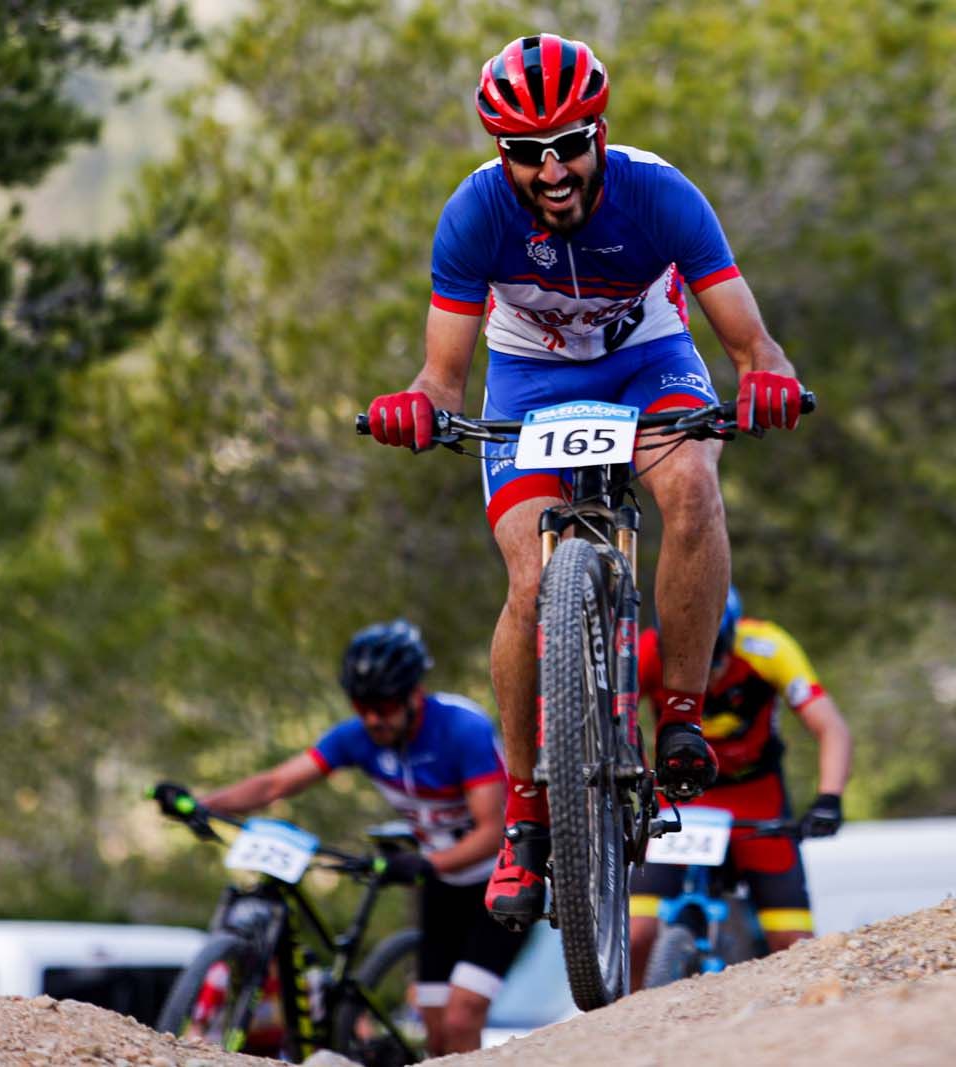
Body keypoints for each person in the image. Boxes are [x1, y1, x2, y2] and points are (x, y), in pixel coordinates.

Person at [363, 32, 807, 932]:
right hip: (530, 381)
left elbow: (748, 336)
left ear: (600, 131)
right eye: (529, 153)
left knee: (690, 487)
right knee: (529, 582)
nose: (554, 169)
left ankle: (679, 711)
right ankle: (527, 811)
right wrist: (417, 406)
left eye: (571, 143)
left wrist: (765, 373)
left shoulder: (658, 192)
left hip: (650, 359)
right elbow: (442, 378)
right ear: (503, 155)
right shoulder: (475, 215)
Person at [158, 620, 525, 1056]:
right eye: (361, 705)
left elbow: (492, 832)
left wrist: (428, 864)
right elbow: (276, 784)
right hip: (442, 883)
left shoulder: (461, 730)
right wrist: (202, 804)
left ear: (413, 693)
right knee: (436, 1029)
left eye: (384, 705)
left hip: (501, 878)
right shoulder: (358, 738)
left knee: (463, 1015)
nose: (372, 718)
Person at [628, 587, 852, 989]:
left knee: (793, 944)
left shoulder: (768, 647)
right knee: (635, 936)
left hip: (756, 796)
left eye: (713, 662)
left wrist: (829, 799)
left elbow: (830, 727)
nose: (707, 679)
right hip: (680, 796)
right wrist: (637, 783)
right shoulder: (646, 651)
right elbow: (617, 724)